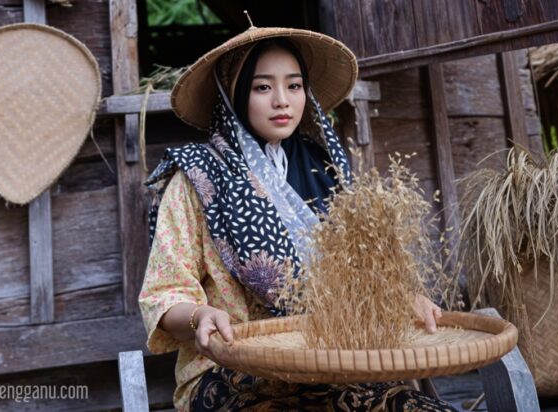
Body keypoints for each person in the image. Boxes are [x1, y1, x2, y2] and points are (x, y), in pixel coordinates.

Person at [139, 25, 455, 411]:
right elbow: (164, 293)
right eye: (262, 87)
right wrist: (199, 316)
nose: (281, 101)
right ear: (234, 95)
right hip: (231, 369)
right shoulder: (199, 176)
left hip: (332, 362)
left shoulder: (327, 169)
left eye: (293, 85)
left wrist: (402, 297)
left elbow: (362, 276)